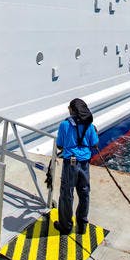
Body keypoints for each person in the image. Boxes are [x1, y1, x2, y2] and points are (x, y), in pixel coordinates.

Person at [54, 98, 99, 235]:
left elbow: (60, 145)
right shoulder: (89, 125)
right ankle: (82, 225)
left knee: (67, 194)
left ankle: (66, 226)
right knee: (84, 193)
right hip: (85, 163)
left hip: (70, 163)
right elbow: (94, 144)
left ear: (72, 110)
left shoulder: (64, 125)